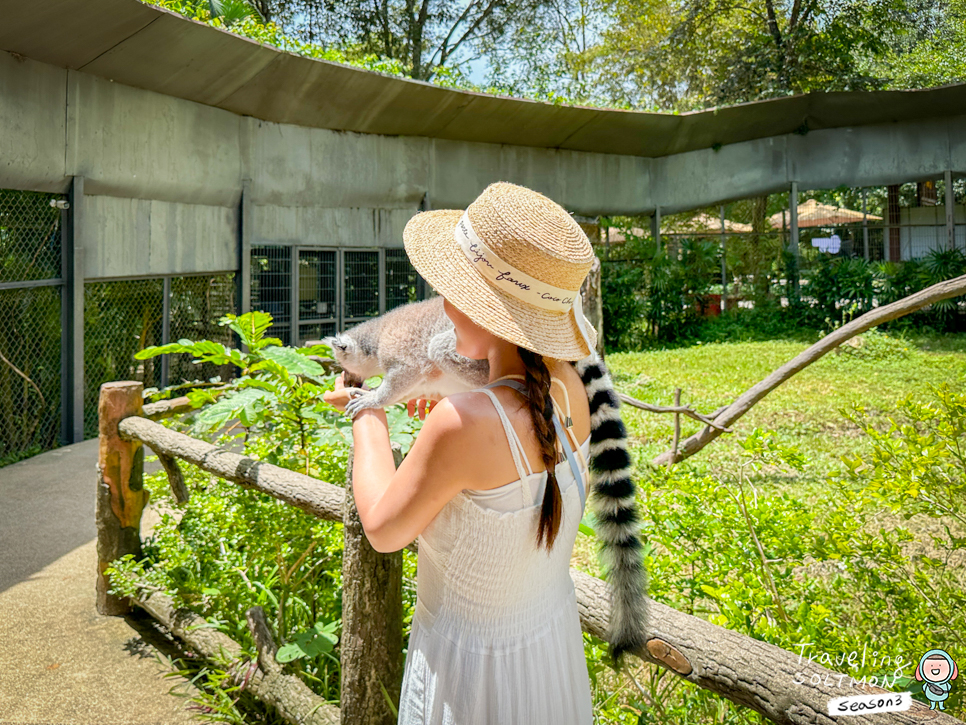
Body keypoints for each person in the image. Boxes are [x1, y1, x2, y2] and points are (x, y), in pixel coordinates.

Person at [324, 181, 599, 724]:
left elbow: (381, 527)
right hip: (547, 653)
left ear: (489, 311)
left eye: (456, 292)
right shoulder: (572, 388)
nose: (444, 307)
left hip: (472, 679)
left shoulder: (463, 424)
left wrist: (366, 414)